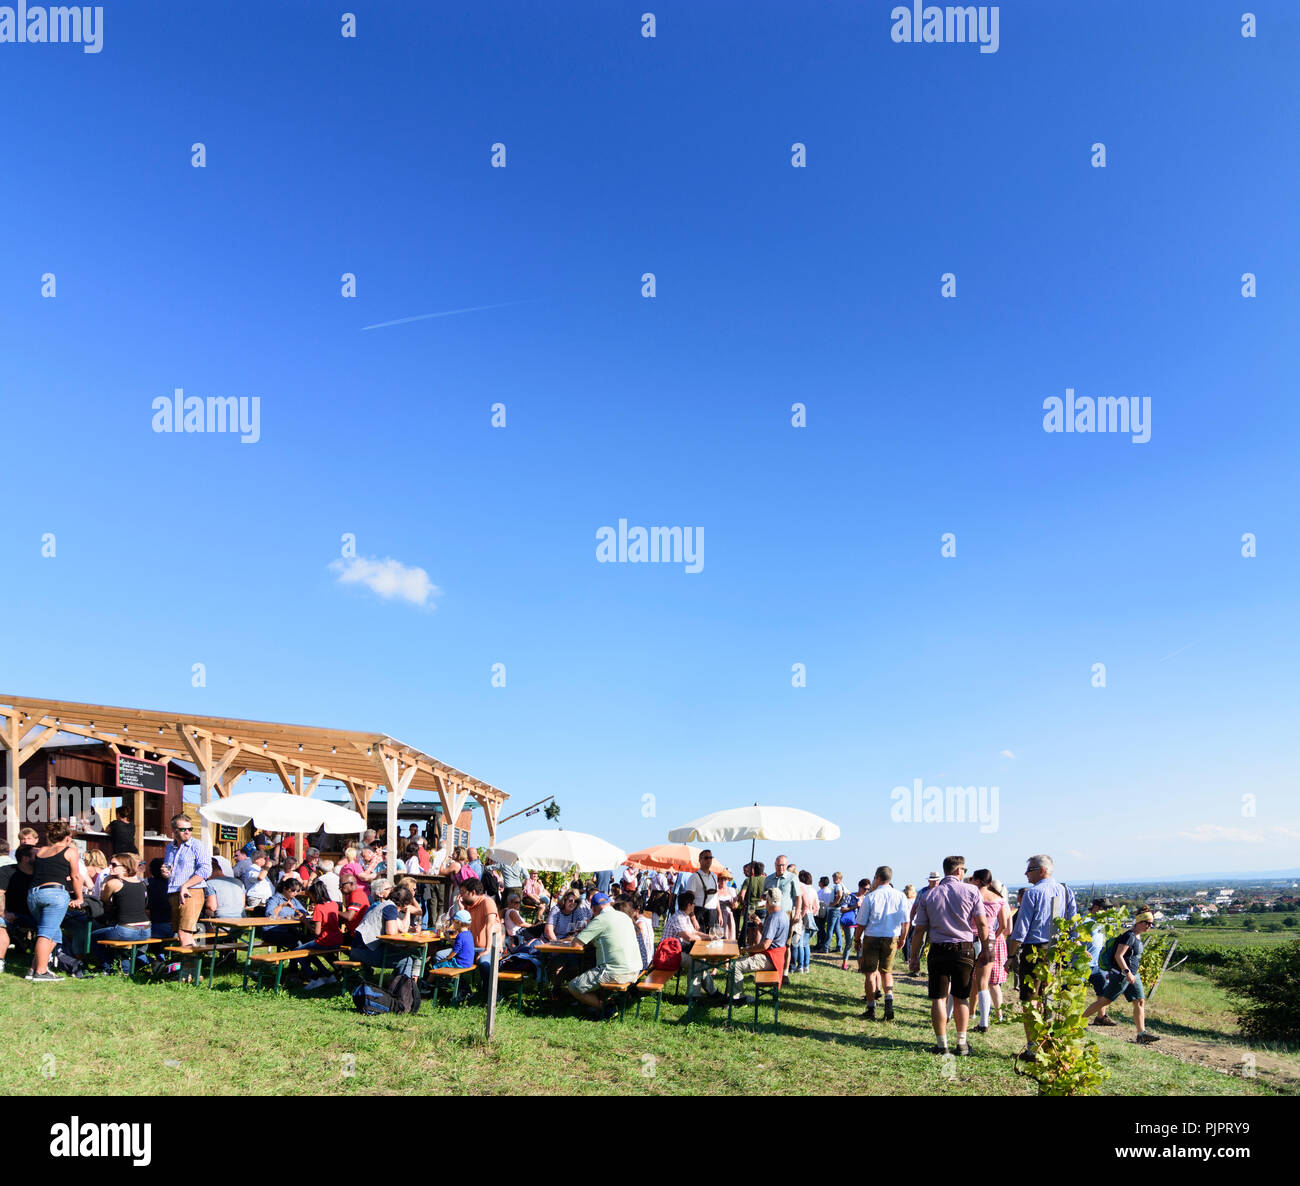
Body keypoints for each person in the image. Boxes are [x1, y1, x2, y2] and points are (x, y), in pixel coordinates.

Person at [907, 855, 989, 1056]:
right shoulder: (972, 891)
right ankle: (961, 1043)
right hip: (964, 948)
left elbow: (919, 930)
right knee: (961, 997)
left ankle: (941, 1043)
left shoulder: (929, 895)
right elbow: (982, 924)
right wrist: (986, 949)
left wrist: (914, 956)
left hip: (938, 948)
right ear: (959, 870)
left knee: (938, 998)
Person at [1006, 853, 1077, 1063]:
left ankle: (1032, 1047)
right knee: (1051, 998)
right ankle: (1050, 1044)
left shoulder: (1032, 893)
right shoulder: (1066, 890)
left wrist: (1011, 955)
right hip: (1058, 949)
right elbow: (1073, 921)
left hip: (1034, 949)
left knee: (1029, 1000)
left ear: (1041, 870)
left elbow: (1021, 929)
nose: (1026, 874)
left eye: (1029, 870)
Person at [1083, 909, 1160, 1043]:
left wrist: (1132, 973)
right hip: (1122, 975)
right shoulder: (1129, 936)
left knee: (1140, 1000)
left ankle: (1141, 1033)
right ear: (1139, 922)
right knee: (1105, 1000)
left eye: (1151, 923)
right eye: (1147, 923)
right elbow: (1118, 955)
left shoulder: (1137, 936)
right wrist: (1127, 972)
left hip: (1133, 975)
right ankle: (1079, 1022)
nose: (1150, 926)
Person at [566, 892, 642, 1018]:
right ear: (609, 904)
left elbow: (576, 945)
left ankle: (606, 1008)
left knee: (573, 986)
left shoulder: (600, 919)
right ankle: (605, 1001)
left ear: (594, 909)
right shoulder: (625, 917)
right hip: (635, 969)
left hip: (616, 972)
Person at [27, 820, 84, 981]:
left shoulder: (40, 851)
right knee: (46, 933)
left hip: (34, 894)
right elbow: (75, 876)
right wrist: (79, 897)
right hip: (55, 894)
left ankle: (33, 969)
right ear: (68, 837)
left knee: (55, 933)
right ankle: (41, 972)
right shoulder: (70, 851)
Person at [857, 865, 911, 1021]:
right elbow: (906, 921)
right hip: (891, 936)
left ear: (878, 878)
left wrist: (857, 939)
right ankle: (889, 1000)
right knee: (887, 971)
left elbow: (861, 922)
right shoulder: (900, 896)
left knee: (870, 973)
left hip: (873, 936)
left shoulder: (871, 897)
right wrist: (903, 938)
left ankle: (871, 1006)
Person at [717, 887, 789, 1005]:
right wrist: (758, 922)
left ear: (768, 901)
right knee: (735, 963)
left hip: (770, 958)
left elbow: (765, 945)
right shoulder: (783, 915)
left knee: (736, 965)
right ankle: (731, 996)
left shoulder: (773, 917)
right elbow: (770, 935)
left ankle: (737, 999)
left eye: (766, 899)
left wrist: (745, 949)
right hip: (776, 957)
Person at [92, 853, 153, 972]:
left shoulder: (114, 883)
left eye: (114, 865)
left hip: (127, 930)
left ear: (125, 867)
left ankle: (107, 968)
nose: (110, 867)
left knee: (94, 936)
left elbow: (103, 900)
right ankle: (127, 969)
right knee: (123, 943)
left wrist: (105, 882)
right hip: (146, 929)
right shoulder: (141, 883)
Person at [968, 869, 1011, 1032]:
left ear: (978, 881)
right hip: (990, 940)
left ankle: (953, 1014)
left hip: (970, 937)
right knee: (984, 983)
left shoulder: (972, 895)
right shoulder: (999, 899)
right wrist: (994, 935)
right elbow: (1004, 925)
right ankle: (984, 1021)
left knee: (963, 980)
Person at [161, 814, 211, 948]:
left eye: (190, 829)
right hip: (174, 892)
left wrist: (186, 885)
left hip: (191, 892)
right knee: (179, 932)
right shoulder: (170, 848)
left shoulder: (197, 845)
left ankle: (190, 968)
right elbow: (169, 868)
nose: (187, 832)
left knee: (184, 932)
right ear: (174, 830)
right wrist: (166, 872)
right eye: (183, 829)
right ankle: (191, 964)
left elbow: (206, 871)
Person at [350, 884, 417, 978]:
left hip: (357, 949)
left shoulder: (385, 905)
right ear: (405, 903)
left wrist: (408, 910)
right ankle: (402, 989)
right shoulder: (390, 908)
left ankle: (395, 983)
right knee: (406, 960)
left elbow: (403, 929)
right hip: (363, 951)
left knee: (403, 952)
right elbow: (392, 933)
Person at [664, 890, 711, 1000]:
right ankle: (693, 996)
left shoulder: (684, 916)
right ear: (689, 905)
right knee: (697, 963)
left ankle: (711, 992)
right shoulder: (679, 918)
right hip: (670, 954)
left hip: (678, 950)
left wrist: (709, 937)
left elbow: (694, 932)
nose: (694, 905)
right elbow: (689, 937)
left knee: (701, 962)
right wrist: (705, 938)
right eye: (693, 903)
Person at [299, 879, 346, 987]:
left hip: (325, 941)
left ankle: (314, 977)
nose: (310, 898)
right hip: (338, 939)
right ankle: (329, 974)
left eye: (311, 896)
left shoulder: (319, 908)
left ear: (315, 895)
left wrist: (306, 923)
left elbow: (317, 932)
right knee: (315, 952)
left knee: (298, 951)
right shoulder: (334, 904)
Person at [0, 843, 37, 975]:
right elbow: (0, 893)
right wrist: (3, 913)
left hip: (35, 915)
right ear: (25, 858)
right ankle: (0, 962)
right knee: (0, 924)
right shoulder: (6, 871)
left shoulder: (41, 873)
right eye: (35, 855)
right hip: (10, 913)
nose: (39, 857)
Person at [1086, 898, 1116, 1027]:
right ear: (1096, 908)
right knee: (1074, 991)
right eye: (1104, 909)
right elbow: (1074, 938)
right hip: (1083, 964)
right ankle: (1075, 1021)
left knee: (1103, 991)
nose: (1106, 912)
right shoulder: (1085, 922)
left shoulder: (1102, 924)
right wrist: (1082, 951)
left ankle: (1101, 1017)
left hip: (1098, 964)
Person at [262, 877, 310, 947]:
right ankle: (300, 957)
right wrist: (281, 906)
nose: (295, 893)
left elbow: (304, 912)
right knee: (297, 943)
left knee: (308, 941)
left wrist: (302, 913)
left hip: (288, 930)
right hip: (272, 931)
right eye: (293, 890)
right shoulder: (274, 899)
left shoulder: (294, 900)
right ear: (284, 888)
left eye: (297, 891)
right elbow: (269, 916)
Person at [687, 850, 721, 933]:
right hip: (699, 913)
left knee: (713, 941)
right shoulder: (694, 877)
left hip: (713, 913)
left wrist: (719, 914)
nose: (709, 860)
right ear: (700, 860)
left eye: (710, 858)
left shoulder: (714, 876)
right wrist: (693, 918)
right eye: (706, 858)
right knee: (699, 942)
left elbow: (716, 897)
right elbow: (689, 900)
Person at [840, 879, 869, 970]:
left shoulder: (867, 898)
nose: (866, 891)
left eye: (868, 889)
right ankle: (845, 963)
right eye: (865, 889)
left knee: (860, 944)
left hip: (861, 923)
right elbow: (842, 909)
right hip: (851, 923)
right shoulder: (850, 896)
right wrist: (855, 906)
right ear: (860, 887)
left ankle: (860, 966)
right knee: (849, 943)